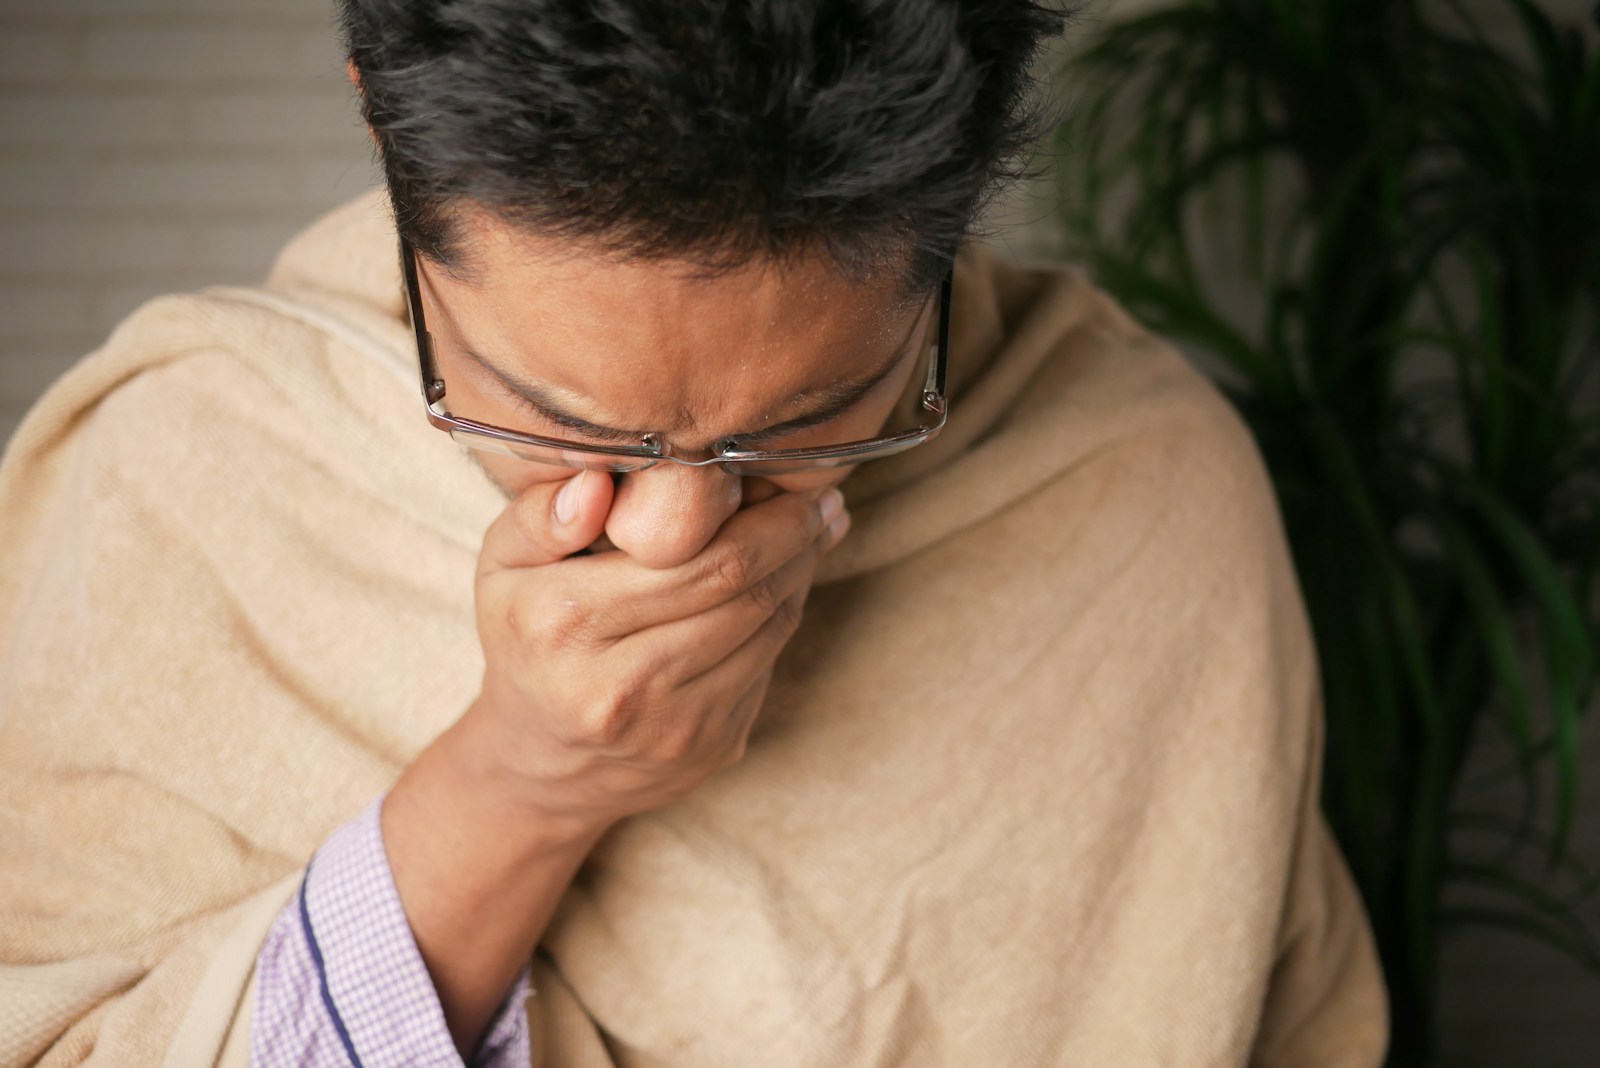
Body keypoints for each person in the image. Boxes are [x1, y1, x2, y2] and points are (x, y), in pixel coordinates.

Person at [0, 1, 1388, 1065]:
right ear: (386, 137)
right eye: (549, 414)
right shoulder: (180, 475)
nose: (675, 536)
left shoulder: (1147, 493)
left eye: (825, 413)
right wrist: (518, 787)